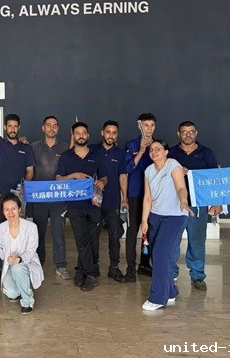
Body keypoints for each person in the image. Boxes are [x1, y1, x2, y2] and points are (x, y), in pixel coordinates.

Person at [0, 84, 35, 286]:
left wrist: (25, 186)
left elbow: (30, 171)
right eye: (9, 126)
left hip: (18, 198)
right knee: (0, 232)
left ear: (18, 128)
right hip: (0, 196)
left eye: (15, 126)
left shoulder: (25, 148)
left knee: (20, 232)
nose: (12, 129)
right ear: (5, 128)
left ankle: (19, 265)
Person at [168, 121, 222, 291]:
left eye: (191, 131)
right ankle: (170, 274)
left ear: (196, 133)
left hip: (198, 204)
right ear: (178, 134)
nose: (188, 134)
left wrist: (217, 202)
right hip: (174, 204)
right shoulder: (171, 153)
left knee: (197, 242)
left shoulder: (206, 153)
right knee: (172, 242)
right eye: (184, 132)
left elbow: (215, 178)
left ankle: (197, 276)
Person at [140, 140, 192, 311]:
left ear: (166, 152)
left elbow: (181, 187)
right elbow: (147, 198)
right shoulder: (148, 170)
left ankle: (158, 298)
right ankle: (170, 291)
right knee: (159, 257)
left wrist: (183, 201)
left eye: (158, 149)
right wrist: (144, 221)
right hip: (156, 217)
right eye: (151, 150)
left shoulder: (173, 165)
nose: (154, 152)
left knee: (161, 253)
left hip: (175, 217)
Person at [56, 122, 108, 291]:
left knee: (92, 241)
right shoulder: (66, 156)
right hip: (74, 205)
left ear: (88, 135)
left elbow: (105, 177)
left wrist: (102, 182)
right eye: (77, 133)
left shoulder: (97, 155)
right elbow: (58, 179)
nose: (81, 135)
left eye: (84, 133)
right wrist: (74, 175)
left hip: (94, 204)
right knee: (81, 239)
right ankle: (92, 274)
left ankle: (81, 270)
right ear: (73, 135)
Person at [30, 116, 72, 279]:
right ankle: (38, 264)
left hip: (58, 198)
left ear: (58, 129)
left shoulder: (66, 147)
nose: (51, 128)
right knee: (38, 233)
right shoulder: (33, 147)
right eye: (48, 125)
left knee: (58, 233)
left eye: (55, 125)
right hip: (39, 197)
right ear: (43, 128)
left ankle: (61, 266)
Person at [0, 193, 44, 314]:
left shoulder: (31, 227)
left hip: (27, 263)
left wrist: (19, 259)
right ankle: (21, 288)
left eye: (13, 208)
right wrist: (8, 259)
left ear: (19, 209)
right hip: (9, 264)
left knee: (18, 268)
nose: (10, 212)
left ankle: (27, 301)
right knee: (11, 293)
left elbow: (31, 249)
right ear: (3, 212)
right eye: (6, 209)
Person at [94, 120, 128, 283]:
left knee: (114, 236)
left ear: (117, 135)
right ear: (102, 132)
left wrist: (125, 198)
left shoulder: (121, 154)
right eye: (108, 132)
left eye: (114, 133)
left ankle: (114, 267)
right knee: (93, 235)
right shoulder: (92, 150)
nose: (110, 135)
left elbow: (123, 176)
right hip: (93, 201)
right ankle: (93, 266)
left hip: (113, 200)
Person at [124, 112, 157, 282]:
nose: (149, 129)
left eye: (151, 125)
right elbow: (127, 168)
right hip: (135, 195)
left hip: (154, 197)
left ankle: (144, 264)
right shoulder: (131, 145)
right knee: (132, 232)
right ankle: (130, 266)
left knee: (149, 232)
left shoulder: (158, 146)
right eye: (146, 125)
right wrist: (142, 151)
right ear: (140, 126)